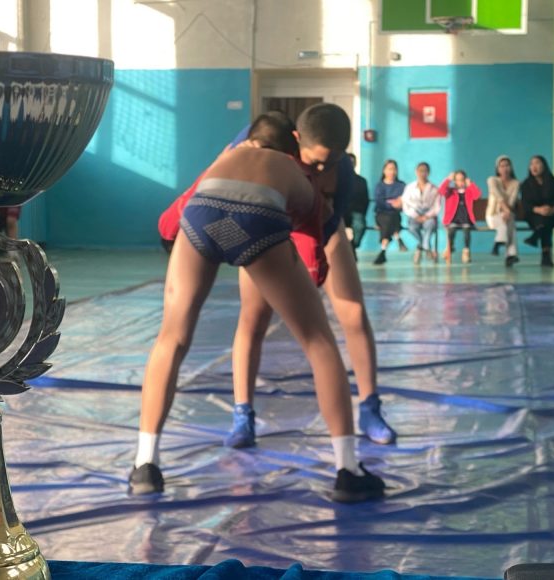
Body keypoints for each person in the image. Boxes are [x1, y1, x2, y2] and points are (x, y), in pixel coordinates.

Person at [131, 119, 386, 504]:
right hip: (260, 220)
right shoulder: (298, 172)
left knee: (172, 337)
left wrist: (174, 239)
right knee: (318, 341)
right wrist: (310, 278)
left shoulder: (228, 154)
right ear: (295, 147)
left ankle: (145, 464)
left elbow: (172, 220)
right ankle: (348, 470)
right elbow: (315, 238)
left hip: (201, 213)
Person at [521, 155, 554, 267]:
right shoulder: (526, 184)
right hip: (533, 214)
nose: (534, 166)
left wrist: (552, 210)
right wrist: (539, 210)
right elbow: (526, 204)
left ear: (544, 166)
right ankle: (546, 255)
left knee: (546, 221)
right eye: (531, 164)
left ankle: (535, 237)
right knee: (544, 222)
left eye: (537, 163)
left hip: (552, 214)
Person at [403, 162, 441, 265]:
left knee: (430, 225)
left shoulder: (434, 188)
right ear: (416, 172)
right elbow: (406, 205)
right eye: (420, 171)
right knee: (412, 228)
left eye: (425, 171)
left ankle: (421, 247)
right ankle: (426, 246)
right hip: (414, 214)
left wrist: (427, 216)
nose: (422, 173)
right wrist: (416, 215)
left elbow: (436, 207)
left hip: (428, 215)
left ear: (428, 173)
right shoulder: (410, 187)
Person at [439, 170, 481, 264]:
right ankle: (450, 247)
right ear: (454, 181)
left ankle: (466, 251)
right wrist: (448, 180)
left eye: (462, 180)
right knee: (451, 230)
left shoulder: (469, 190)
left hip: (466, 218)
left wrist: (471, 184)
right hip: (453, 218)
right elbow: (441, 191)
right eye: (457, 180)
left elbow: (477, 195)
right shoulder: (451, 191)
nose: (460, 182)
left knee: (466, 230)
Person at [487, 155, 520, 267]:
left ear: (511, 167)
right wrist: (506, 211)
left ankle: (499, 243)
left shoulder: (516, 183)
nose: (505, 168)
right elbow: (497, 195)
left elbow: (512, 200)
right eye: (501, 166)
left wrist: (507, 211)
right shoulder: (492, 180)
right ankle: (511, 254)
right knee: (508, 223)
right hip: (493, 215)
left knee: (509, 222)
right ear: (497, 169)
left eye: (507, 165)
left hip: (508, 215)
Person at [372, 159, 407, 265]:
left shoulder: (401, 185)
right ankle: (397, 237)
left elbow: (403, 200)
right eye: (389, 169)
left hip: (395, 215)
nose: (392, 172)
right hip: (381, 214)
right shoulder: (380, 186)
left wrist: (396, 203)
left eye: (394, 169)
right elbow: (380, 202)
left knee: (391, 219)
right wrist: (392, 204)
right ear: (384, 170)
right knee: (387, 220)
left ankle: (383, 250)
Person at [342, 153, 369, 260]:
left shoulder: (361, 181)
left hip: (356, 211)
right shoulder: (338, 181)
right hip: (341, 211)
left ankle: (352, 245)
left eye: (352, 162)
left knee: (360, 225)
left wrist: (362, 213)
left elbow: (365, 200)